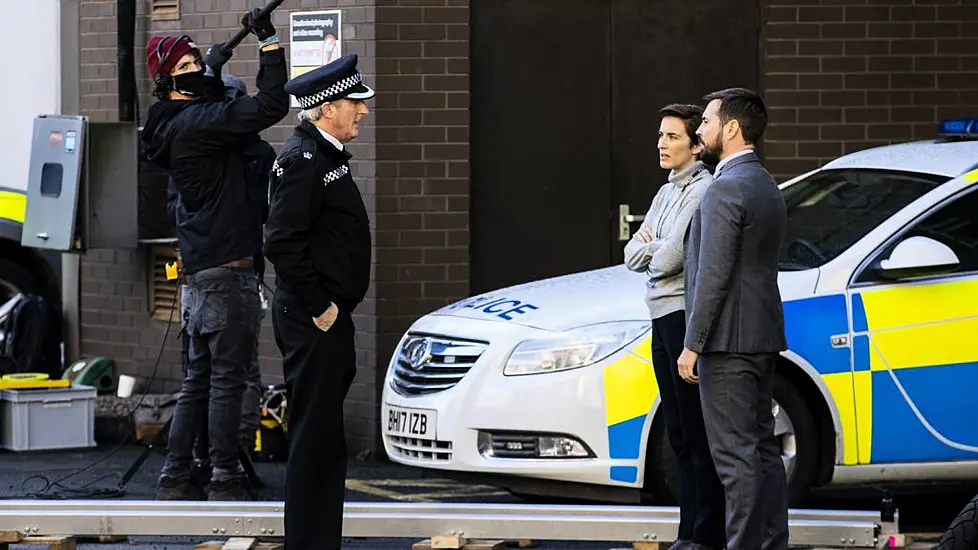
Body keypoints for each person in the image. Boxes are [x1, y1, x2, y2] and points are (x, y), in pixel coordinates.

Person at [141, 8, 290, 501]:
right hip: (229, 269)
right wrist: (268, 42)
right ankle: (224, 477)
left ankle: (176, 476)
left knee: (199, 379)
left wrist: (215, 69)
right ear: (168, 85)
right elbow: (269, 106)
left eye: (194, 62)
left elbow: (216, 104)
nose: (196, 72)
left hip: (204, 270)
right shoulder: (198, 125)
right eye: (184, 69)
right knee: (227, 380)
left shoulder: (175, 126)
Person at [262, 53, 374, 550]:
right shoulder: (303, 159)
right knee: (313, 438)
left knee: (325, 439)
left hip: (326, 317)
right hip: (314, 319)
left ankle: (320, 538)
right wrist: (320, 307)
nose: (363, 112)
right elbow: (281, 241)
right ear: (327, 108)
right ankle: (308, 542)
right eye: (356, 103)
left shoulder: (323, 155)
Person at [678, 87, 789, 550]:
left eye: (705, 122)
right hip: (761, 337)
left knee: (735, 458)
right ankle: (770, 544)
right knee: (763, 452)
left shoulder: (726, 187)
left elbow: (713, 275)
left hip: (726, 343)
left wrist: (693, 343)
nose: (699, 130)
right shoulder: (764, 184)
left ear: (730, 128)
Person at [623, 103, 725, 550]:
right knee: (679, 433)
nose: (662, 144)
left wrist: (652, 246)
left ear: (696, 146)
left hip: (682, 315)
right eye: (660, 136)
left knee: (697, 432)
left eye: (673, 137)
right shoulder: (666, 193)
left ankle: (706, 533)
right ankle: (688, 531)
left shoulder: (702, 191)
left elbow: (669, 259)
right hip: (658, 316)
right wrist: (650, 247)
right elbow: (631, 256)